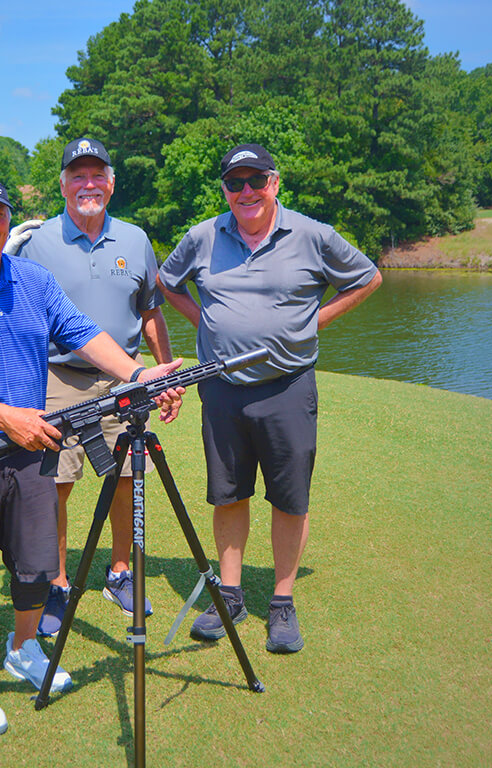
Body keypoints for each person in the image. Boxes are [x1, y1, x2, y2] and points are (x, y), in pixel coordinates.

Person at [0, 176, 183, 737]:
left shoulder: (33, 278)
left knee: (34, 567)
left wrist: (136, 372)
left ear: (9, 221)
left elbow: (81, 331)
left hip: (30, 449)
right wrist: (8, 417)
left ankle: (23, 647)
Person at [156, 143, 382, 654]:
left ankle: (281, 602)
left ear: (274, 183)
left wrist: (312, 322)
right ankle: (230, 595)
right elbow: (168, 283)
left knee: (289, 496)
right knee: (228, 493)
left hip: (287, 386)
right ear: (224, 190)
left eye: (256, 180)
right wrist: (204, 323)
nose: (246, 192)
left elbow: (368, 277)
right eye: (235, 183)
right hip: (221, 388)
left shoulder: (312, 235)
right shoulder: (203, 236)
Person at [7, 138, 173, 637]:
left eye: (97, 174)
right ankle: (57, 583)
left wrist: (164, 375)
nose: (88, 184)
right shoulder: (36, 243)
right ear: (62, 184)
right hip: (57, 377)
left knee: (126, 477)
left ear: (112, 182)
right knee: (54, 485)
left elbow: (151, 313)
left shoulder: (135, 239)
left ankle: (119, 572)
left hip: (124, 377)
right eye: (77, 175)